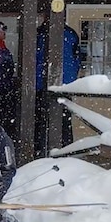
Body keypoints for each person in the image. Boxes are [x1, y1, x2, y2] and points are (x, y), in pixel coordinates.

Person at [36, 21, 82, 155]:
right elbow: (77, 58)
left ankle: (41, 150)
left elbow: (34, 57)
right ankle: (65, 149)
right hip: (65, 84)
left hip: (41, 83)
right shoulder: (71, 33)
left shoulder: (40, 34)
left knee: (42, 120)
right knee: (64, 121)